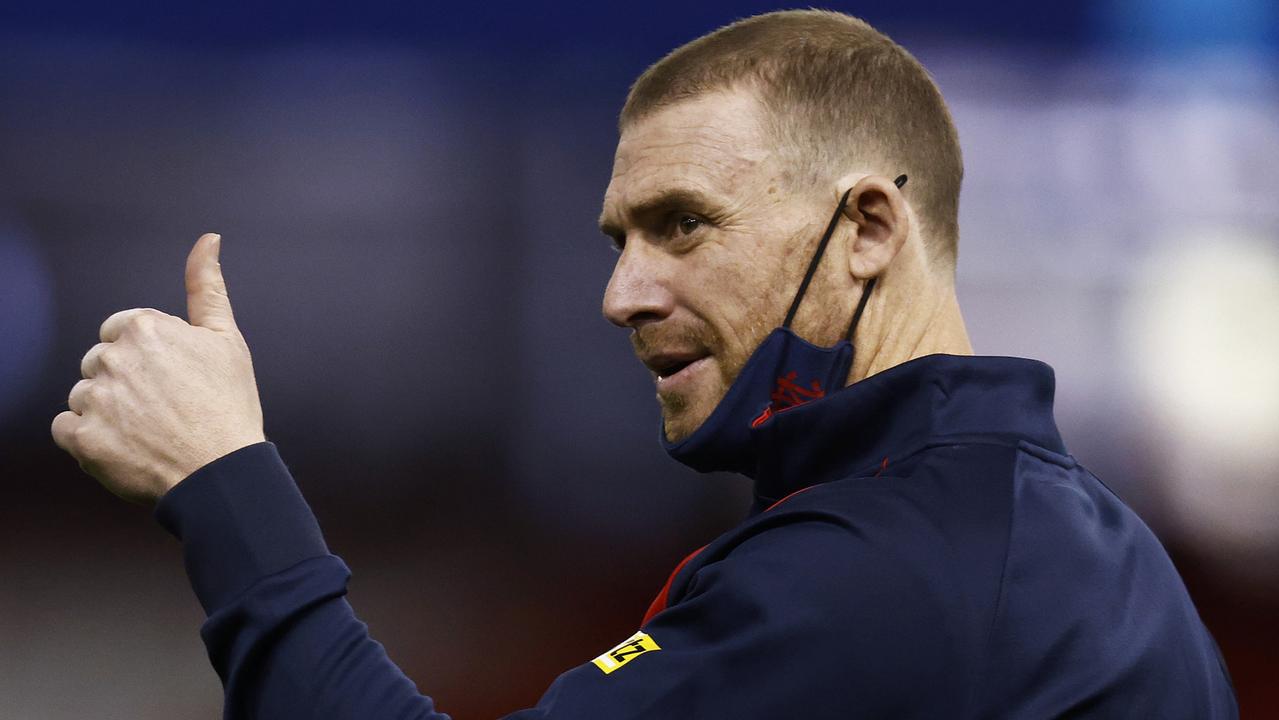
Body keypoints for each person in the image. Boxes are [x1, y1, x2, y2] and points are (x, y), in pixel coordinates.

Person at [50, 9, 1237, 719]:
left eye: (683, 225)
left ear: (869, 230)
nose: (622, 295)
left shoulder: (897, 569)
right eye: (620, 242)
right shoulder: (1079, 541)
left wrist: (223, 481)